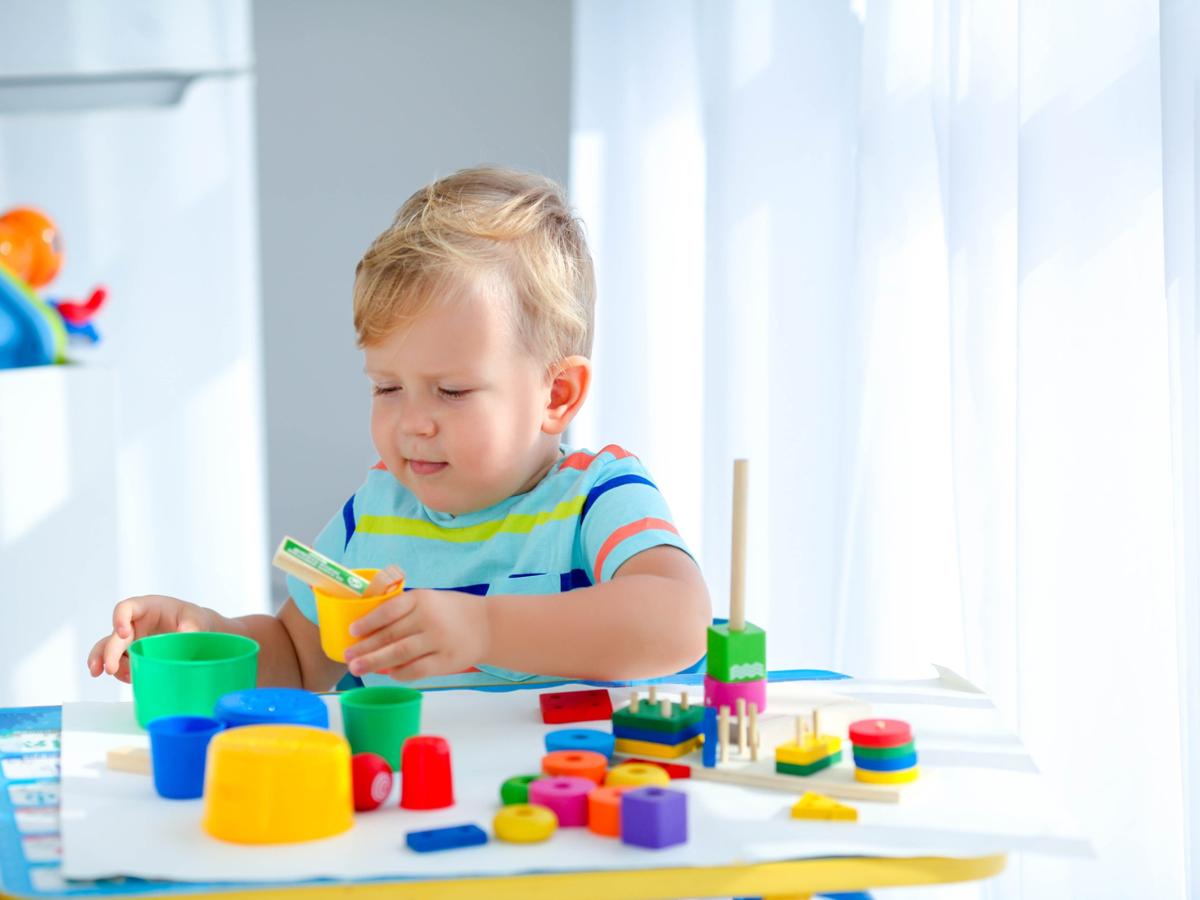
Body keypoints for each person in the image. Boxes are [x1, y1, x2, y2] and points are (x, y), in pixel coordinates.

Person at [87, 166, 711, 691]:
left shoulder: (597, 498)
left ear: (557, 393)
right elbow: (299, 659)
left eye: (452, 391)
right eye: (387, 387)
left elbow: (679, 622)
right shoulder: (374, 516)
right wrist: (205, 641)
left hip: (557, 822)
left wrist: (486, 628)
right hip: (403, 816)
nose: (412, 423)